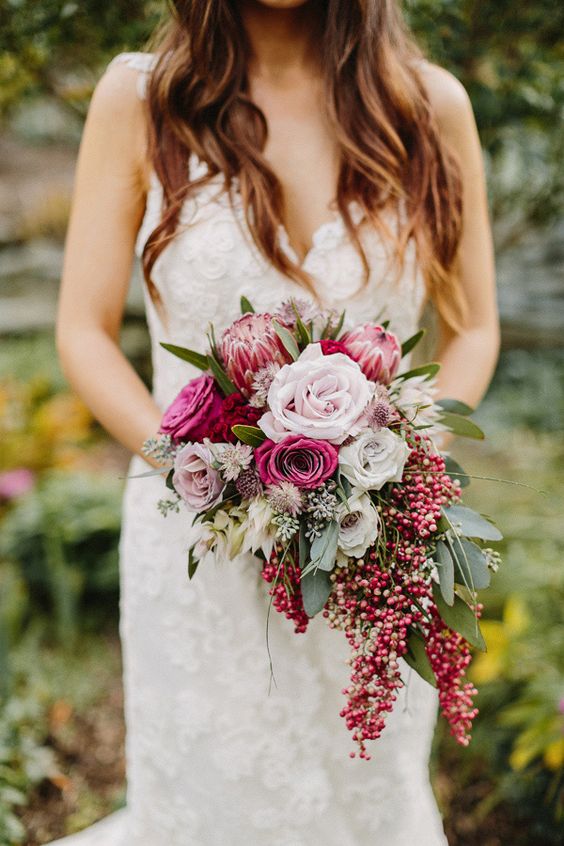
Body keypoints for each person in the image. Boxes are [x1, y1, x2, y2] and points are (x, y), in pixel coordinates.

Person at [53, 1, 499, 843]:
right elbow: (82, 330)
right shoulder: (141, 99)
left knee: (369, 801)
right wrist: (203, 476)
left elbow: (474, 328)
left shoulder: (428, 106)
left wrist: (403, 465)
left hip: (373, 550)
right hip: (200, 552)